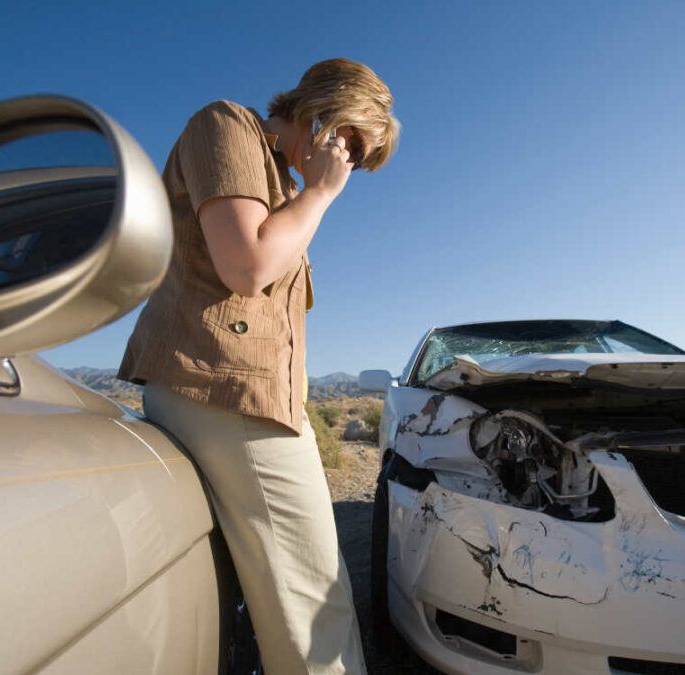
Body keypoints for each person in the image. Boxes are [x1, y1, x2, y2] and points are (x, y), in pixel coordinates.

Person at [117, 58, 399, 674]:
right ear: (324, 114)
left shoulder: (285, 187)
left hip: (248, 399)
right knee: (314, 605)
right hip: (224, 390)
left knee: (283, 598)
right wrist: (322, 193)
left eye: (359, 156)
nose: (348, 162)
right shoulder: (228, 126)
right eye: (350, 143)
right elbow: (246, 267)